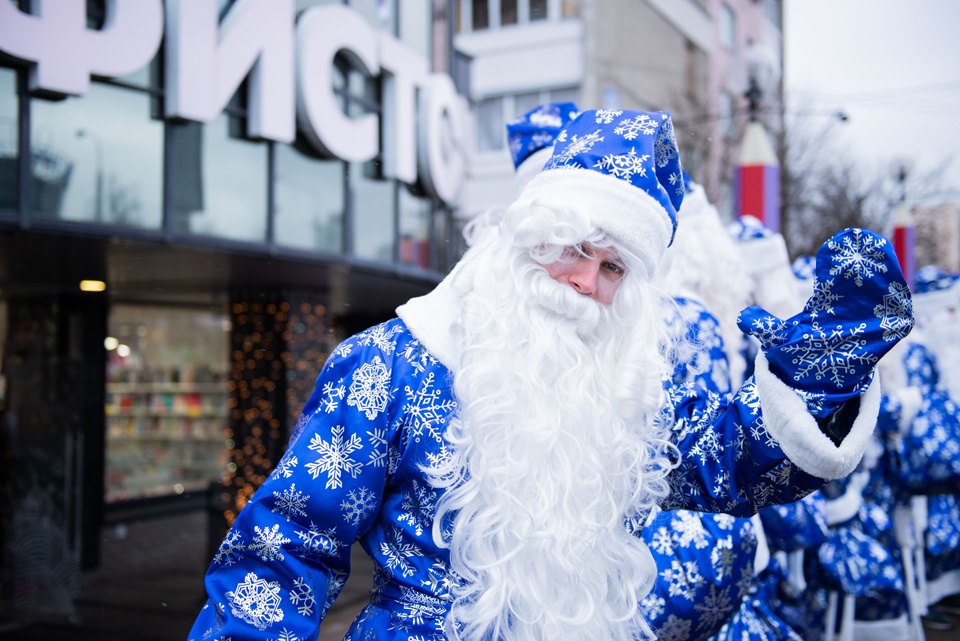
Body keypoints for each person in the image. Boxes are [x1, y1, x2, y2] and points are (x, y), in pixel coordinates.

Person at [187, 108, 913, 641]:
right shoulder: (389, 363)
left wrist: (818, 378)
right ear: (527, 234)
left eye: (613, 267)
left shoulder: (621, 389)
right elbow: (282, 552)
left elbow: (729, 455)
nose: (585, 282)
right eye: (574, 247)